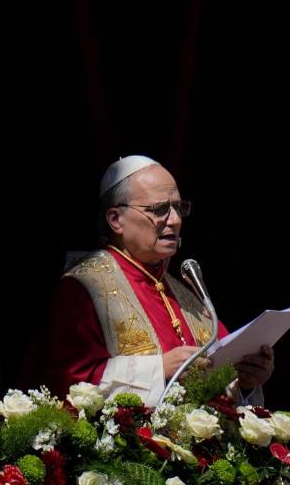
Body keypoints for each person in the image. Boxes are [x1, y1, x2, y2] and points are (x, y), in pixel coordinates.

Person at [28, 155, 274, 406]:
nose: (175, 220)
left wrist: (245, 381)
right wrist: (161, 369)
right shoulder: (83, 289)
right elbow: (69, 384)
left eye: (179, 208)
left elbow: (219, 377)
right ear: (116, 220)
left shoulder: (186, 293)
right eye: (159, 210)